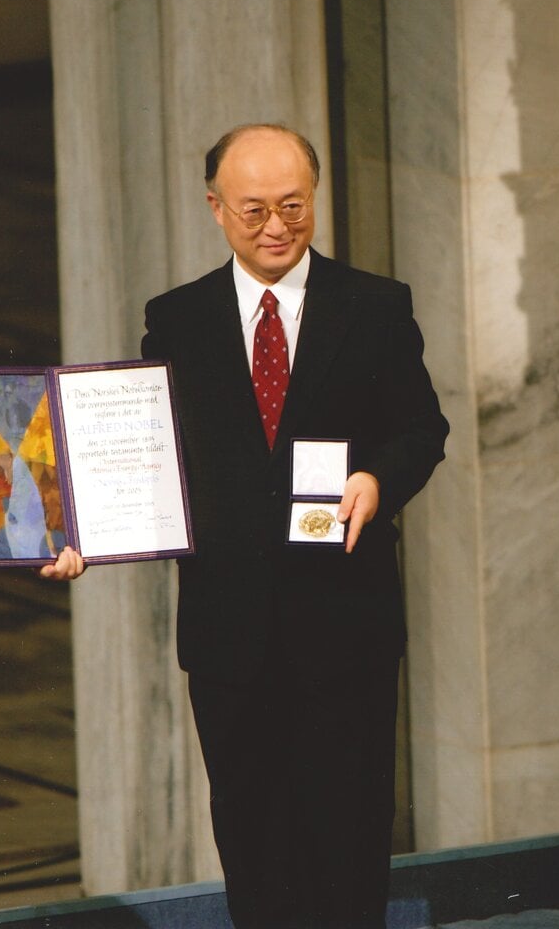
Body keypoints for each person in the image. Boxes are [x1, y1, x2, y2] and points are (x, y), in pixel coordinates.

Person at [44, 124, 449, 929]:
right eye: (255, 209)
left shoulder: (373, 306)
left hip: (344, 629)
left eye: (294, 207)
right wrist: (84, 528)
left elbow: (420, 430)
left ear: (314, 199)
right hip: (230, 636)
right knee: (254, 846)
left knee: (346, 847)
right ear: (215, 209)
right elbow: (151, 456)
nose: (276, 228)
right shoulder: (177, 320)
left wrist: (376, 477)